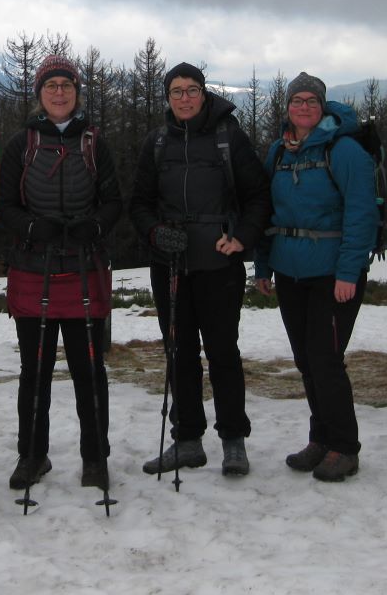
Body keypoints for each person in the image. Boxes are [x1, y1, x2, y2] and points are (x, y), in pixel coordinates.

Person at [130, 62, 270, 477]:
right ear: (168, 98)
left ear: (204, 94)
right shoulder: (157, 141)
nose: (185, 98)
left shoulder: (229, 137)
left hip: (218, 263)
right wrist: (155, 233)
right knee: (179, 353)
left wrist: (241, 237)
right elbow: (139, 202)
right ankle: (188, 439)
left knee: (223, 352)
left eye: (192, 90)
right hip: (170, 263)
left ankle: (233, 440)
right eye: (177, 91)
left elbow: (259, 195)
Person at [0, 54, 124, 492]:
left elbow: (113, 200)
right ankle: (32, 455)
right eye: (51, 86)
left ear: (76, 92)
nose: (59, 92)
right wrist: (31, 227)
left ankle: (95, 458)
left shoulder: (95, 143)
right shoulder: (22, 143)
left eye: (66, 85)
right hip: (34, 266)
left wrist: (96, 226)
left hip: (84, 266)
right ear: (40, 93)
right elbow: (4, 204)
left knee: (90, 371)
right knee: (35, 371)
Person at [254, 72, 378, 482]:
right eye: (297, 100)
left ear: (322, 106)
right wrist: (263, 265)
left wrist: (349, 272)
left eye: (311, 100)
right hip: (290, 270)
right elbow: (266, 211)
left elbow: (361, 213)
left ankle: (344, 446)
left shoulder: (343, 150)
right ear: (287, 107)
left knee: (326, 360)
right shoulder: (280, 151)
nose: (304, 106)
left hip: (332, 273)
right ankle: (321, 439)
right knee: (307, 360)